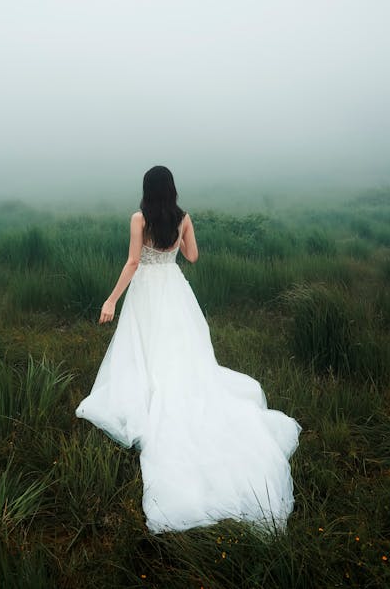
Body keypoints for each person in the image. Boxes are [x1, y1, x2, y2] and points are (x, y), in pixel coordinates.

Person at [75, 165, 302, 535]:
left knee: (145, 346)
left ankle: (150, 394)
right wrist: (177, 240)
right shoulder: (183, 219)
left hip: (147, 291)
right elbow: (192, 258)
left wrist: (111, 299)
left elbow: (133, 262)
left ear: (147, 190)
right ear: (172, 190)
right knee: (180, 350)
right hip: (175, 290)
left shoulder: (139, 218)